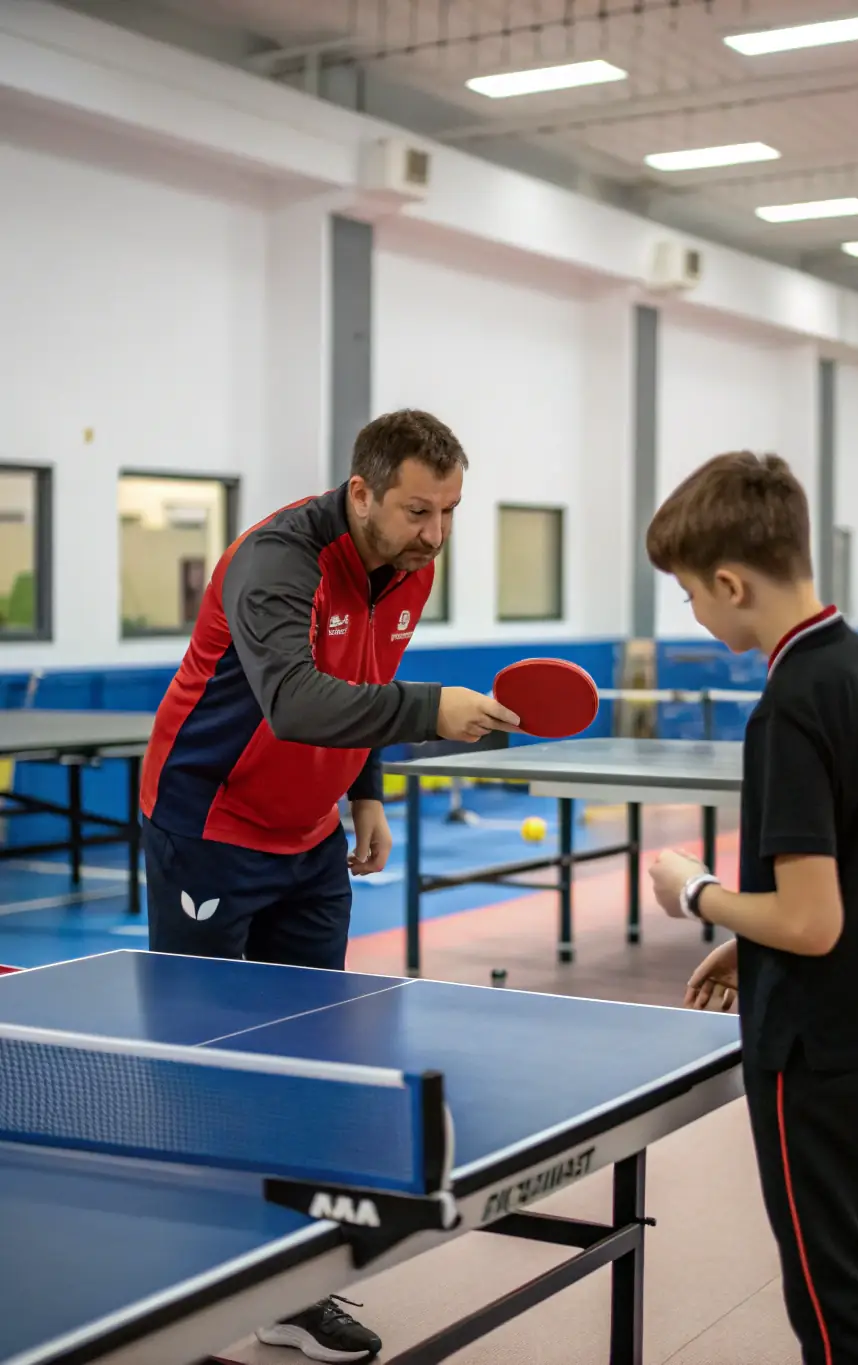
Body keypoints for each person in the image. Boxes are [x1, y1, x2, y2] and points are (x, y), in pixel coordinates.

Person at [139, 408, 519, 1363]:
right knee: (204, 1063)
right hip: (211, 827)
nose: (434, 534)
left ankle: (295, 1293)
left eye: (449, 512)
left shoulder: (412, 567)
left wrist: (367, 797)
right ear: (361, 492)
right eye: (416, 510)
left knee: (313, 1062)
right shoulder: (276, 559)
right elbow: (298, 696)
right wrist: (436, 710)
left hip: (309, 838)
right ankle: (183, 1290)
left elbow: (368, 674)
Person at [644, 451, 858, 1365]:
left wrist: (697, 892)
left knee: (827, 1297)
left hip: (814, 1039)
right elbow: (851, 869)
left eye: (691, 592)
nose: (692, 611)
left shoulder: (787, 707)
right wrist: (749, 939)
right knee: (854, 1256)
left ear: (731, 581)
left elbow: (813, 925)